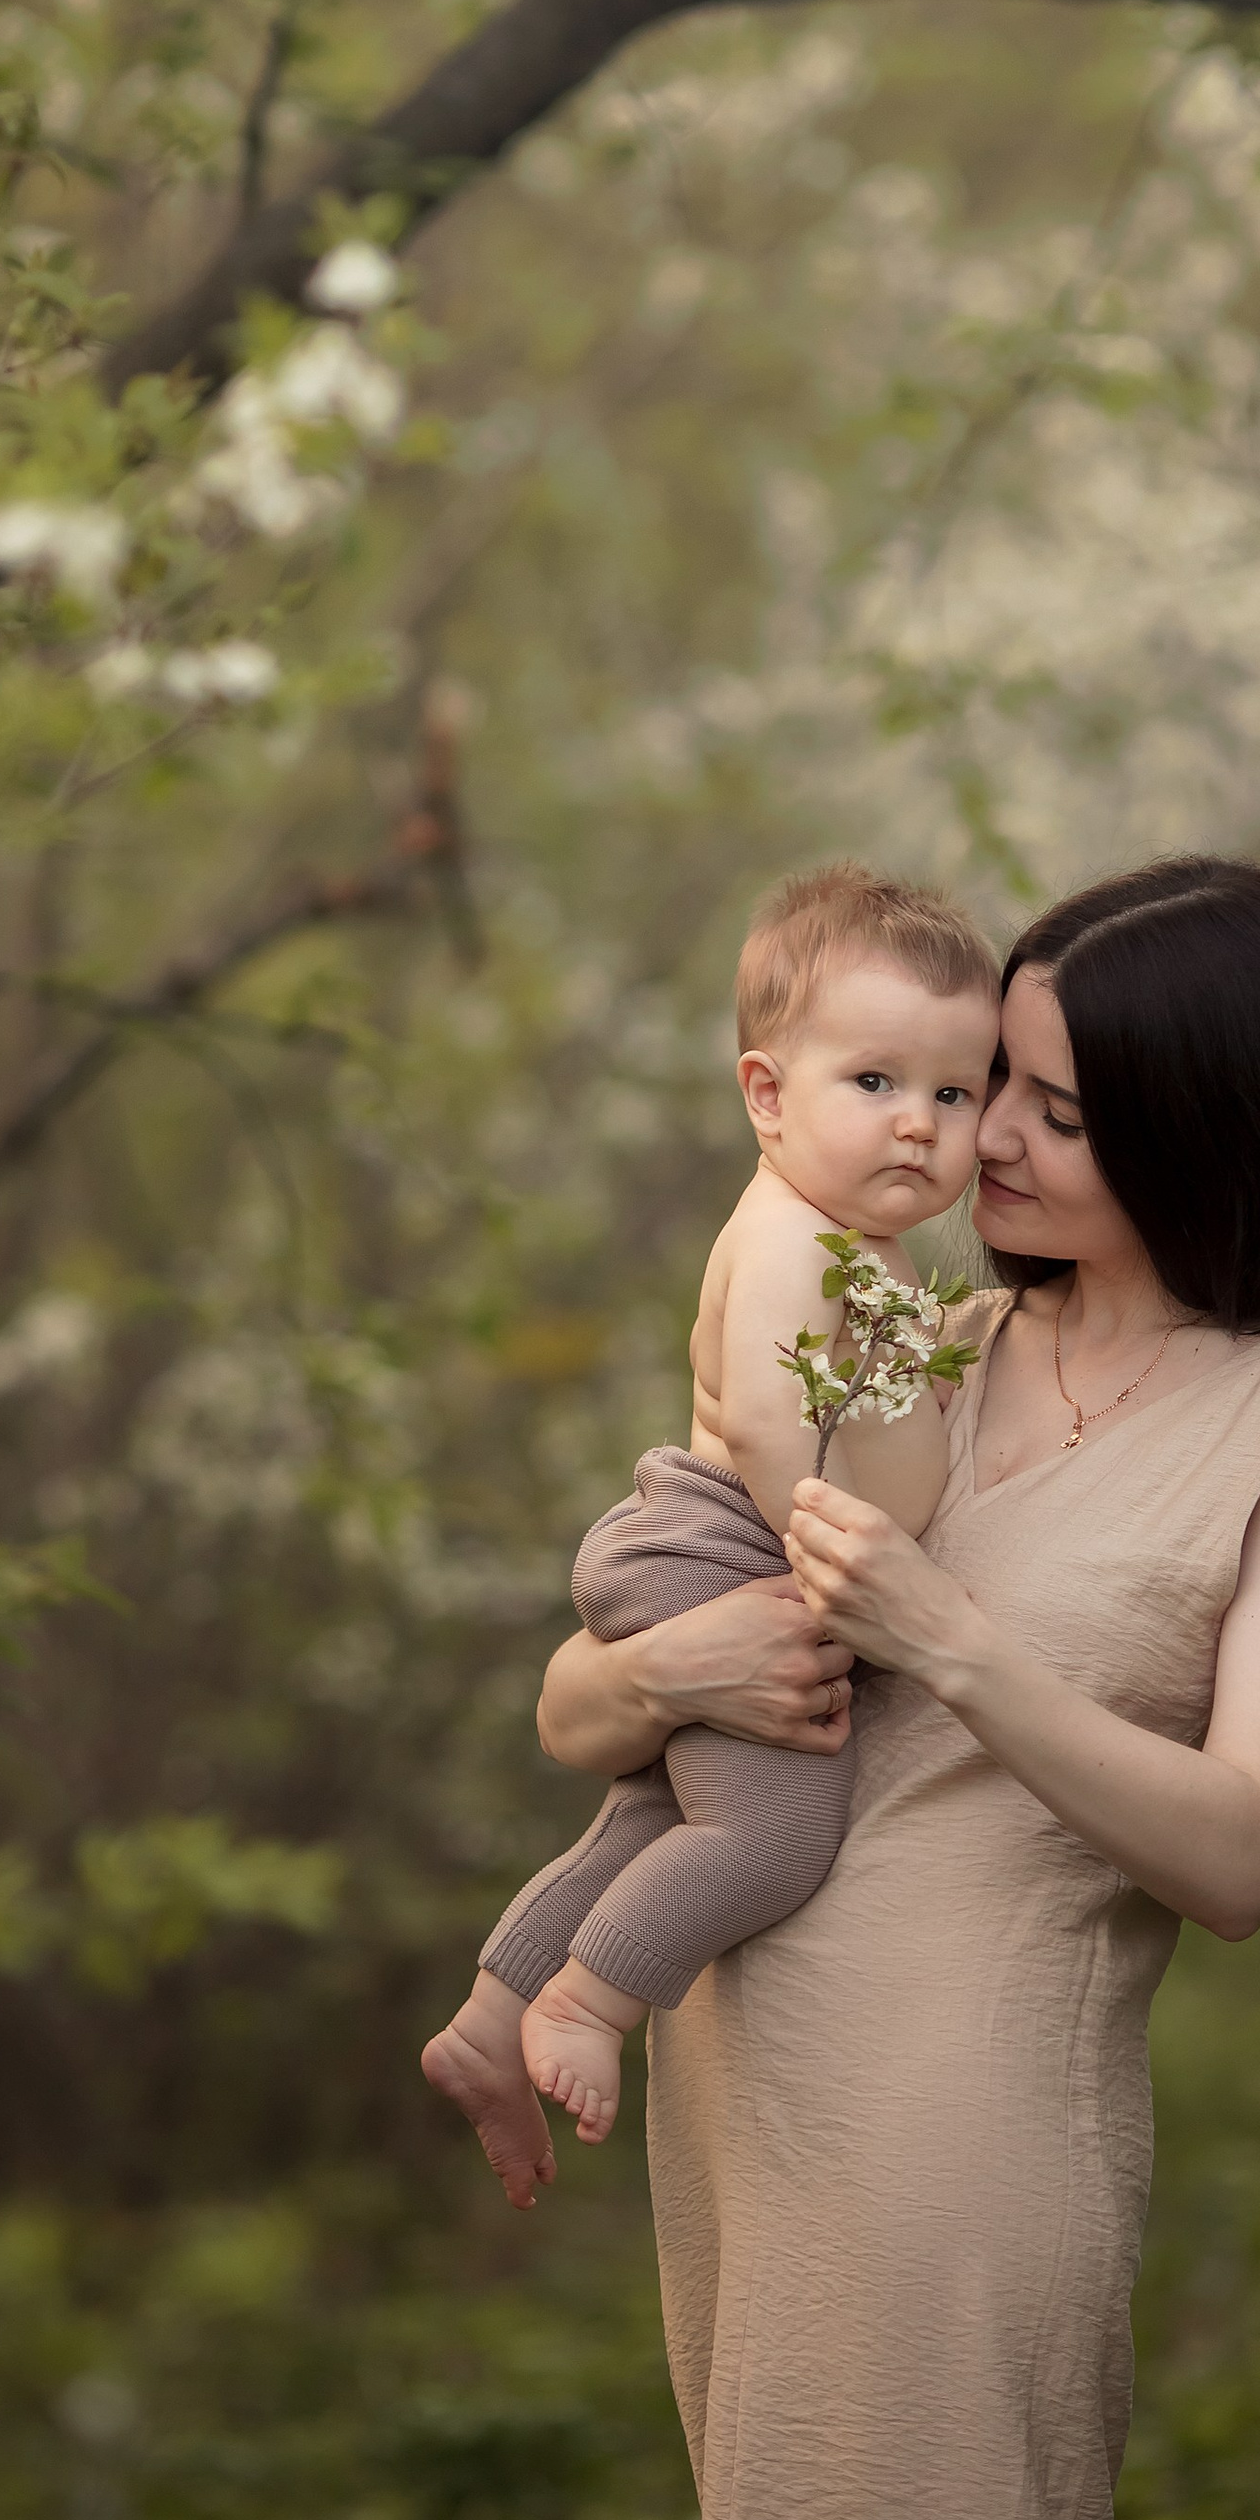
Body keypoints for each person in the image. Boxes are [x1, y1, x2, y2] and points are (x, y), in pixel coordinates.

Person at [532, 856, 1260, 2520]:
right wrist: (669, 1669)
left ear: (1213, 1123)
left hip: (972, 2128)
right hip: (749, 2100)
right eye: (985, 1090)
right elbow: (575, 1702)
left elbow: (1240, 1849)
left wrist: (953, 1643)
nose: (984, 1143)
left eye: (1052, 1107)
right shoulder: (917, 1336)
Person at [423, 863, 1000, 2196]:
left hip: (708, 1544)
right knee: (771, 1838)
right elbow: (767, 1418)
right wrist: (833, 1571)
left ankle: (492, 2019)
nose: (916, 1125)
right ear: (766, 1095)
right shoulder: (795, 1238)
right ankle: (594, 2004)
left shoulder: (859, 1241)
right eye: (875, 1081)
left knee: (652, 1817)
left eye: (954, 1094)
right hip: (731, 1548)